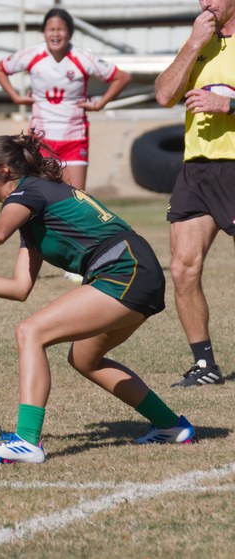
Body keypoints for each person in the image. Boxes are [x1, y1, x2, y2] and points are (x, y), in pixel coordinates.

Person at [0, 133, 195, 464]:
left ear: (3, 171)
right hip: (135, 271)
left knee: (30, 332)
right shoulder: (31, 211)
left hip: (125, 269)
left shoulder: (29, 192)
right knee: (86, 359)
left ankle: (27, 441)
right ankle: (171, 426)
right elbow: (19, 288)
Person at [0, 7, 131, 282]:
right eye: (51, 29)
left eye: (61, 29)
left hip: (74, 136)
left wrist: (101, 103)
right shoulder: (32, 55)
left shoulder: (82, 57)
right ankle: (33, 258)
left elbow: (121, 77)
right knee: (37, 199)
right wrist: (16, 97)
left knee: (76, 197)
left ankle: (77, 262)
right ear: (44, 33)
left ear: (69, 33)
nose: (55, 34)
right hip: (41, 141)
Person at [154, 0, 235, 387]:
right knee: (182, 268)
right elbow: (164, 95)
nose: (206, 3)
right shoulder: (198, 40)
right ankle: (205, 365)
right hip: (197, 169)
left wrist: (228, 104)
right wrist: (192, 44)